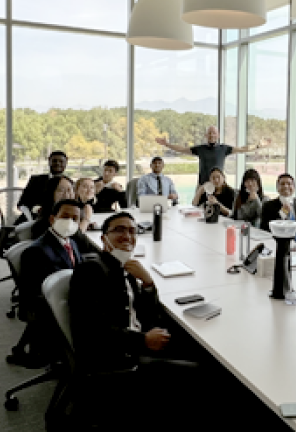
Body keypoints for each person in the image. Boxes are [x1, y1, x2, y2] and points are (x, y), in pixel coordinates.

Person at [68, 213, 200, 425]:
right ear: (104, 238)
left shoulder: (127, 269)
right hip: (117, 356)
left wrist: (148, 283)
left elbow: (149, 316)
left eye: (132, 231)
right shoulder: (91, 270)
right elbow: (93, 331)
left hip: (135, 341)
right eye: (119, 229)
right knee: (201, 373)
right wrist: (144, 340)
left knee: (198, 349)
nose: (127, 235)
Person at [18, 199, 83, 367]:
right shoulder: (36, 252)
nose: (70, 222)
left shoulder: (71, 242)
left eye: (75, 219)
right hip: (51, 312)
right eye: (65, 216)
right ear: (53, 219)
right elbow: (34, 297)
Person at [155, 125, 272, 185]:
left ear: (218, 135)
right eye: (209, 133)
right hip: (202, 184)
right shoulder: (200, 149)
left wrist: (258, 145)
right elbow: (182, 149)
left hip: (219, 185)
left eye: (214, 133)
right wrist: (167, 144)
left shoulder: (224, 149)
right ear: (206, 135)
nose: (212, 135)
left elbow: (242, 149)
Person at [30, 176, 99, 255]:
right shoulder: (45, 222)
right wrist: (86, 219)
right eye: (61, 190)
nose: (67, 194)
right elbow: (77, 240)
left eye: (70, 190)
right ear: (51, 193)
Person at [260, 173, 296, 244]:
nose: (286, 186)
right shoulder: (268, 206)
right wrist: (282, 214)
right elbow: (264, 229)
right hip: (278, 244)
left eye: (289, 184)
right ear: (277, 188)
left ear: (294, 187)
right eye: (282, 184)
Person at [17, 150, 68, 218]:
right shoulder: (35, 180)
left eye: (61, 161)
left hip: (60, 220)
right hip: (33, 219)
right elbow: (22, 203)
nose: (58, 163)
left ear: (66, 163)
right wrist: (35, 209)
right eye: (54, 161)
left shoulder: (69, 183)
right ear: (49, 162)